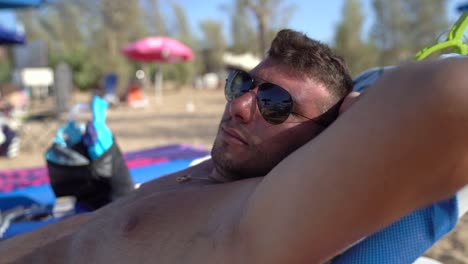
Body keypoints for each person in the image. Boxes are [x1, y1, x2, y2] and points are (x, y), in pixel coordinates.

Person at [2, 29, 468, 263]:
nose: (240, 105)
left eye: (275, 103)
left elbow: (445, 100)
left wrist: (354, 122)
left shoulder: (262, 217)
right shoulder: (207, 171)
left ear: (326, 137)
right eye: (243, 84)